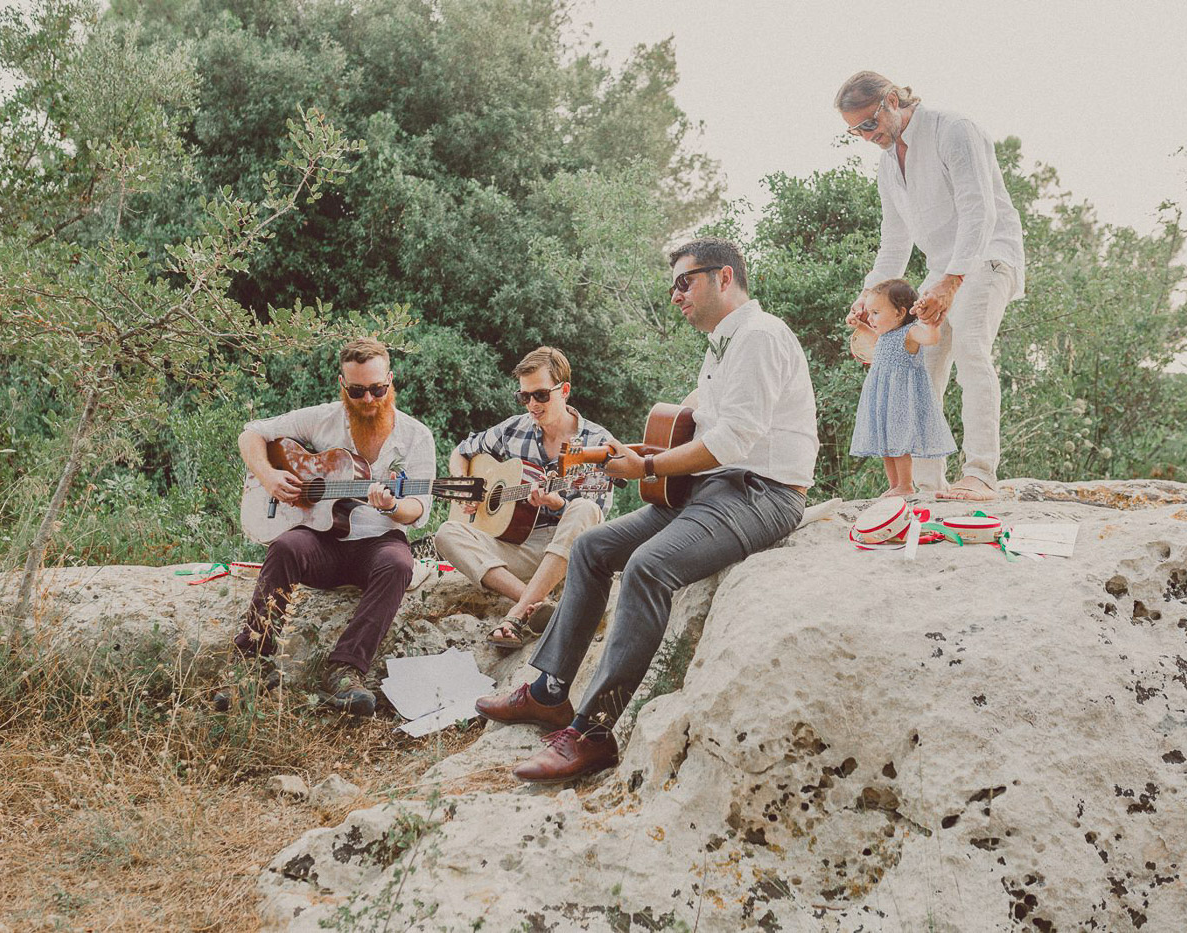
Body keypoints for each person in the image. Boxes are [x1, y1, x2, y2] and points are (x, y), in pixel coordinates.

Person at [474, 237, 818, 784]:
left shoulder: (760, 336)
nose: (675, 294)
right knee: (591, 546)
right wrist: (641, 455)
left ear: (724, 278)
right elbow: (698, 425)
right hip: (710, 488)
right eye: (672, 285)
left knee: (648, 567)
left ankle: (594, 731)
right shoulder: (721, 346)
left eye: (686, 282)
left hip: (763, 492)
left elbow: (736, 439)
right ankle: (548, 692)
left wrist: (650, 471)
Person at [214, 337, 436, 716]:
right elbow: (250, 433)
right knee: (285, 547)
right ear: (342, 385)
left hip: (378, 543)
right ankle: (254, 661)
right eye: (358, 390)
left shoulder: (416, 436)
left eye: (378, 389)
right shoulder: (321, 418)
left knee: (400, 564)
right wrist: (269, 477)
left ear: (391, 381)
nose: (369, 400)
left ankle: (345, 670)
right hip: (322, 541)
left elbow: (419, 507)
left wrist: (394, 506)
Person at [837, 70, 1025, 502]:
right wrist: (869, 297)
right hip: (941, 270)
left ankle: (980, 473)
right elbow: (894, 241)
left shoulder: (953, 130)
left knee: (971, 350)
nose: (867, 136)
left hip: (987, 256)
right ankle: (927, 484)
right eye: (855, 131)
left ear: (892, 100)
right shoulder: (888, 166)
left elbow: (979, 211)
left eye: (869, 123)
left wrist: (953, 281)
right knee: (919, 368)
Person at [434, 347, 615, 650]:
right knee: (446, 533)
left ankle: (516, 614)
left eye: (541, 395)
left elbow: (595, 517)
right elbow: (462, 450)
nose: (532, 404)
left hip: (567, 552)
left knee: (583, 507)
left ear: (564, 390)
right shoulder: (514, 429)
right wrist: (467, 486)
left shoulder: (597, 442)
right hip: (517, 549)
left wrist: (558, 504)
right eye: (524, 396)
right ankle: (537, 602)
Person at [849, 279, 956, 497]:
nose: (870, 318)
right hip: (882, 398)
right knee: (886, 445)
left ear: (899, 313)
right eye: (869, 313)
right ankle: (894, 485)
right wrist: (859, 325)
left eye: (876, 313)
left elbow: (931, 339)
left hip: (900, 399)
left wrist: (932, 326)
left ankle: (906, 485)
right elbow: (872, 338)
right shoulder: (885, 336)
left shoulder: (910, 332)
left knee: (899, 443)